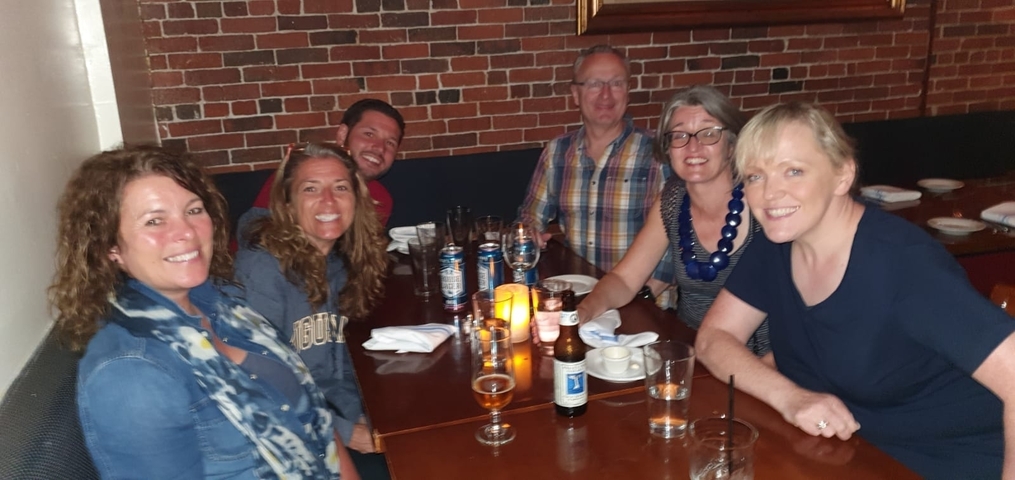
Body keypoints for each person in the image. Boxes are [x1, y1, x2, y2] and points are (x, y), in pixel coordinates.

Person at [694, 102, 1015, 479]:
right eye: (755, 177)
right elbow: (714, 338)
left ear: (843, 175)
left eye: (793, 171)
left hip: (950, 460)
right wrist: (792, 398)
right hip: (849, 453)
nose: (769, 194)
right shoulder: (776, 246)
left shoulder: (903, 265)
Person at [50, 145, 358, 479]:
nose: (186, 232)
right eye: (154, 221)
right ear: (111, 248)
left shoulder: (223, 303)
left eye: (193, 210)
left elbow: (314, 418)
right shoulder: (131, 372)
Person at [235, 143, 390, 479]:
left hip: (322, 417)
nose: (329, 201)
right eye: (311, 189)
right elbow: (258, 385)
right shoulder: (263, 268)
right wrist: (346, 432)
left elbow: (332, 368)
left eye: (340, 187)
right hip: (276, 437)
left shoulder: (338, 262)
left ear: (357, 199)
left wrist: (360, 415)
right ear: (287, 204)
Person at [577, 86, 770, 355]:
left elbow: (797, 318)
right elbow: (624, 279)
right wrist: (582, 312)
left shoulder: (764, 204)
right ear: (668, 148)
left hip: (756, 361)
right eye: (679, 135)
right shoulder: (672, 199)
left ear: (732, 145)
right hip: (688, 353)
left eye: (709, 133)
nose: (693, 146)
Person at [518, 45, 674, 296]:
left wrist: (644, 296)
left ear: (628, 91)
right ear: (575, 94)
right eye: (594, 84)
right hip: (578, 296)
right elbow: (529, 216)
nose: (606, 95)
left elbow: (681, 236)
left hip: (641, 301)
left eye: (616, 83)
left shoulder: (658, 152)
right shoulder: (557, 152)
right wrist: (529, 234)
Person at [252, 98, 404, 226]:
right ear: (342, 134)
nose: (379, 148)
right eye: (369, 134)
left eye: (390, 143)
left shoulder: (380, 199)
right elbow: (256, 243)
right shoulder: (296, 180)